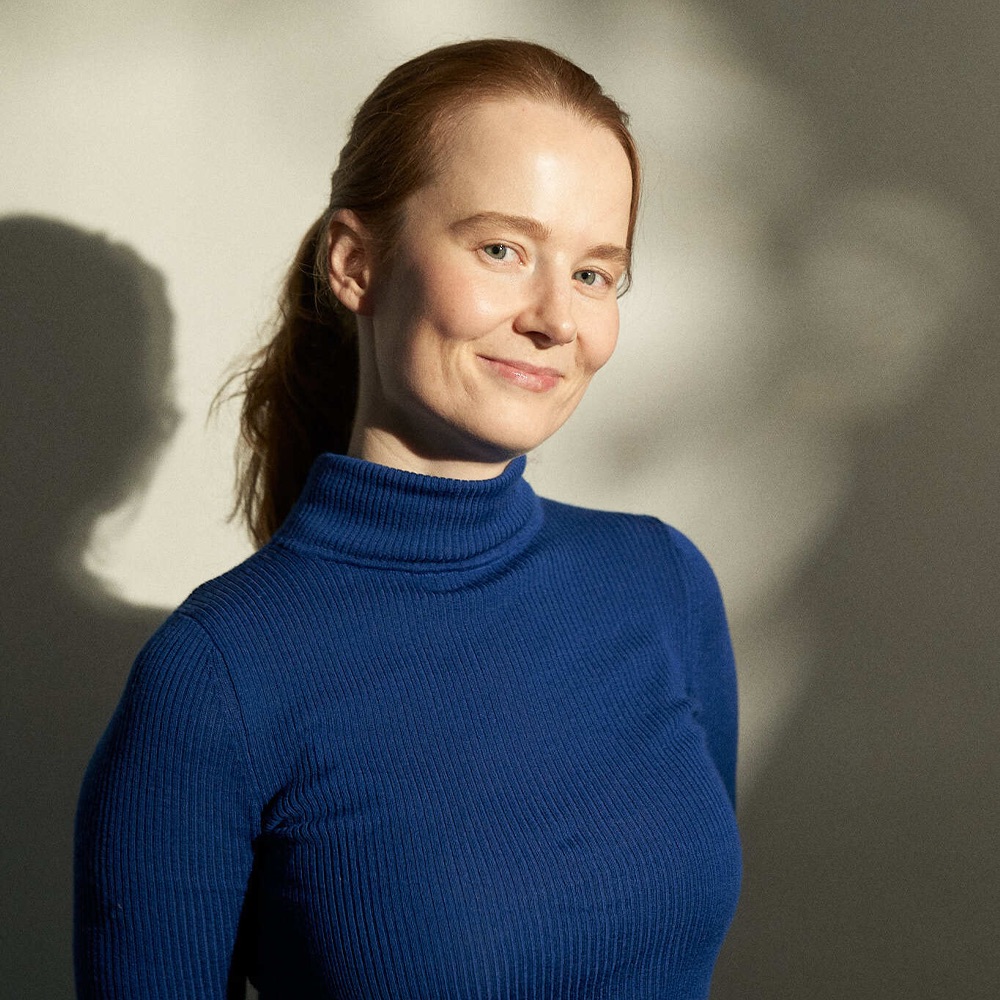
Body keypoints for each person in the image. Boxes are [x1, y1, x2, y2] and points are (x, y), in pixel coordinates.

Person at [74, 38, 741, 999]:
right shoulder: (216, 678)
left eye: (595, 272)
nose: (557, 318)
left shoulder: (663, 584)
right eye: (503, 249)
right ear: (355, 262)